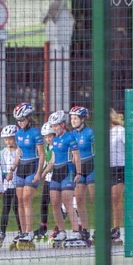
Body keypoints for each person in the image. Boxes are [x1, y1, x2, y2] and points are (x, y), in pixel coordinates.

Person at [47, 111, 87, 247]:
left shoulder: (70, 137)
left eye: (56, 126)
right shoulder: (55, 139)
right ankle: (61, 231)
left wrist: (79, 172)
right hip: (56, 171)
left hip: (67, 170)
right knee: (54, 203)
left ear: (63, 125)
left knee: (67, 201)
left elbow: (76, 156)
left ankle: (76, 231)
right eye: (52, 126)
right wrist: (42, 173)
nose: (54, 129)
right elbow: (52, 160)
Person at [8, 102, 44, 250]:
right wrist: (12, 169)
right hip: (21, 167)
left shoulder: (35, 132)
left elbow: (41, 154)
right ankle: (23, 231)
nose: (20, 122)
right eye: (18, 120)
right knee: (20, 201)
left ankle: (29, 231)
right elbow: (19, 152)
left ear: (29, 118)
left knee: (27, 198)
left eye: (22, 119)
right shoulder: (18, 133)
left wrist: (38, 173)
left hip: (33, 166)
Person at [69, 106, 93, 242]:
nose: (73, 121)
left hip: (91, 167)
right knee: (79, 201)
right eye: (71, 118)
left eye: (75, 118)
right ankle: (85, 229)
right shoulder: (71, 134)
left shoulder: (90, 132)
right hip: (78, 170)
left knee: (95, 199)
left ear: (83, 118)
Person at [0, 125, 21, 243]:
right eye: (6, 139)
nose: (8, 141)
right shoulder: (3, 153)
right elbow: (1, 167)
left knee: (17, 208)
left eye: (10, 138)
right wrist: (2, 178)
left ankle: (21, 231)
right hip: (7, 185)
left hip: (18, 183)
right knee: (5, 208)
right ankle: (2, 232)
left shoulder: (19, 151)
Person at [34, 122, 54, 240]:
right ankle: (43, 226)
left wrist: (44, 171)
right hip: (48, 178)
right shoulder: (47, 147)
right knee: (44, 202)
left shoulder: (56, 146)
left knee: (61, 205)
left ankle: (59, 228)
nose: (48, 139)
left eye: (50, 136)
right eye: (46, 137)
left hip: (56, 177)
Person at [109, 109, 126, 243]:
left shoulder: (120, 130)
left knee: (116, 198)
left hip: (119, 167)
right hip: (106, 168)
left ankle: (116, 228)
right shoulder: (102, 132)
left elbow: (129, 147)